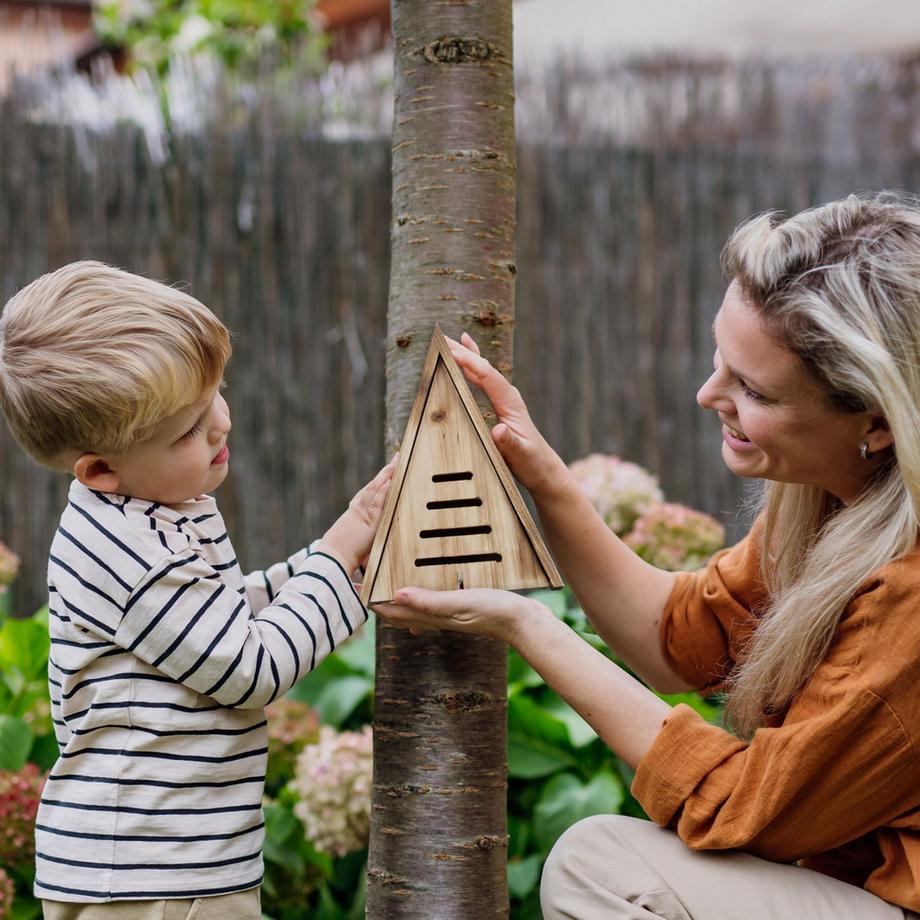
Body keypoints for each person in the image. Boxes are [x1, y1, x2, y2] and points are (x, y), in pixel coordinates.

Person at [376, 192, 920, 919]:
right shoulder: (836, 498)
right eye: (720, 359)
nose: (706, 394)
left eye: (752, 388)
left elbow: (743, 810)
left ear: (877, 424)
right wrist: (546, 479)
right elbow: (681, 639)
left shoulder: (908, 597)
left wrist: (527, 625)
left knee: (605, 869)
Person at [0, 261, 395, 920]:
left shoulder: (154, 508)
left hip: (171, 861)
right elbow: (250, 667)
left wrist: (343, 568)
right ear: (102, 469)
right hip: (146, 877)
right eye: (186, 429)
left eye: (215, 393)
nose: (219, 424)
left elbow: (223, 620)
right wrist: (340, 550)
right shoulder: (130, 550)